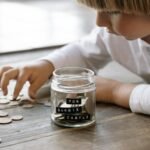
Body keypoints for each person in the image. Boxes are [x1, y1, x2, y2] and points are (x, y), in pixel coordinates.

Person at [0, 0, 150, 115]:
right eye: (97, 10)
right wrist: (47, 65)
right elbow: (83, 52)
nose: (99, 22)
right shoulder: (112, 36)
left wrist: (115, 91)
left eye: (113, 11)